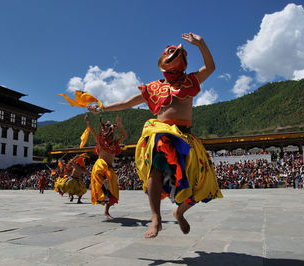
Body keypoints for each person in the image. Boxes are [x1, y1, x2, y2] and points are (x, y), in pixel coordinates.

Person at [88, 32, 223, 238]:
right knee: (157, 162)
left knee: (200, 182)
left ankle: (179, 212)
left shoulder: (190, 80)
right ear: (162, 62)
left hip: (185, 137)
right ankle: (155, 218)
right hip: (162, 133)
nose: (178, 53)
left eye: (181, 53)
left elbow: (211, 68)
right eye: (171, 52)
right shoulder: (154, 87)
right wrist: (103, 107)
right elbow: (127, 103)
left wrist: (201, 43)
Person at [84, 114, 127, 219]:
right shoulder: (100, 141)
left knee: (112, 191)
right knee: (101, 166)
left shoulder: (115, 143)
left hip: (110, 168)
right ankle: (103, 181)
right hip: (100, 166)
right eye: (104, 128)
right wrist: (88, 123)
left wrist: (121, 126)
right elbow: (93, 132)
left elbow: (125, 136)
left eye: (107, 127)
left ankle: (106, 211)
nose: (105, 129)